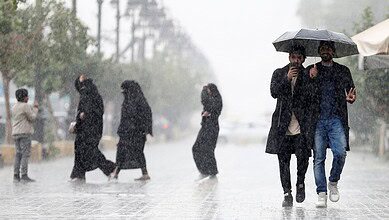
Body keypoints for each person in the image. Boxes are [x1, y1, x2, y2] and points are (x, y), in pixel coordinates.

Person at [306, 41, 356, 208]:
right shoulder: (311, 70)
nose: (325, 51)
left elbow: (351, 93)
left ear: (333, 51)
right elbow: (304, 95)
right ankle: (321, 193)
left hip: (336, 119)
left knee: (340, 153)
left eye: (328, 48)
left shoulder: (343, 71)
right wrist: (311, 78)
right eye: (322, 49)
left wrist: (351, 99)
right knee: (318, 158)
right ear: (319, 51)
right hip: (317, 120)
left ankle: (333, 181)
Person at [265, 45, 311, 207]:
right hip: (282, 126)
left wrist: (311, 79)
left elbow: (312, 97)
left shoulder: (308, 74)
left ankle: (300, 184)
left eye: (299, 58)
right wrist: (287, 79)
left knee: (302, 159)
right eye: (293, 57)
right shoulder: (279, 73)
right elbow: (273, 92)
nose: (296, 61)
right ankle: (287, 193)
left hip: (301, 126)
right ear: (289, 57)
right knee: (283, 162)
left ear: (303, 59)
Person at [70, 74, 116, 182]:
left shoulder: (92, 96)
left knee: (90, 151)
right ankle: (78, 174)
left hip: (91, 130)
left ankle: (110, 168)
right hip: (84, 129)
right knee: (80, 150)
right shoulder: (87, 94)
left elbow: (96, 112)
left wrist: (85, 114)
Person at [111, 80, 153, 181]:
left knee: (127, 152)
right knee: (130, 152)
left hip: (132, 133)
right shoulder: (138, 100)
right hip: (131, 133)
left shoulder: (135, 101)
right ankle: (117, 173)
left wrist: (141, 129)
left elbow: (139, 116)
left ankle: (116, 173)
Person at [192, 83, 222, 179]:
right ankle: (204, 169)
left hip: (212, 128)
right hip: (205, 127)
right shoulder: (211, 100)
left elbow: (208, 104)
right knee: (197, 148)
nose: (207, 92)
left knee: (208, 150)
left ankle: (212, 171)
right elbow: (205, 103)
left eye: (208, 90)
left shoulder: (216, 100)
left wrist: (204, 92)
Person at [12, 88, 39, 182]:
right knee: (25, 154)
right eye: (27, 96)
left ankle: (16, 175)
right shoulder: (25, 106)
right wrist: (35, 109)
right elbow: (32, 118)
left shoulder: (14, 106)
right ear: (24, 97)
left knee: (18, 154)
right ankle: (24, 175)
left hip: (15, 133)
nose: (28, 98)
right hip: (24, 133)